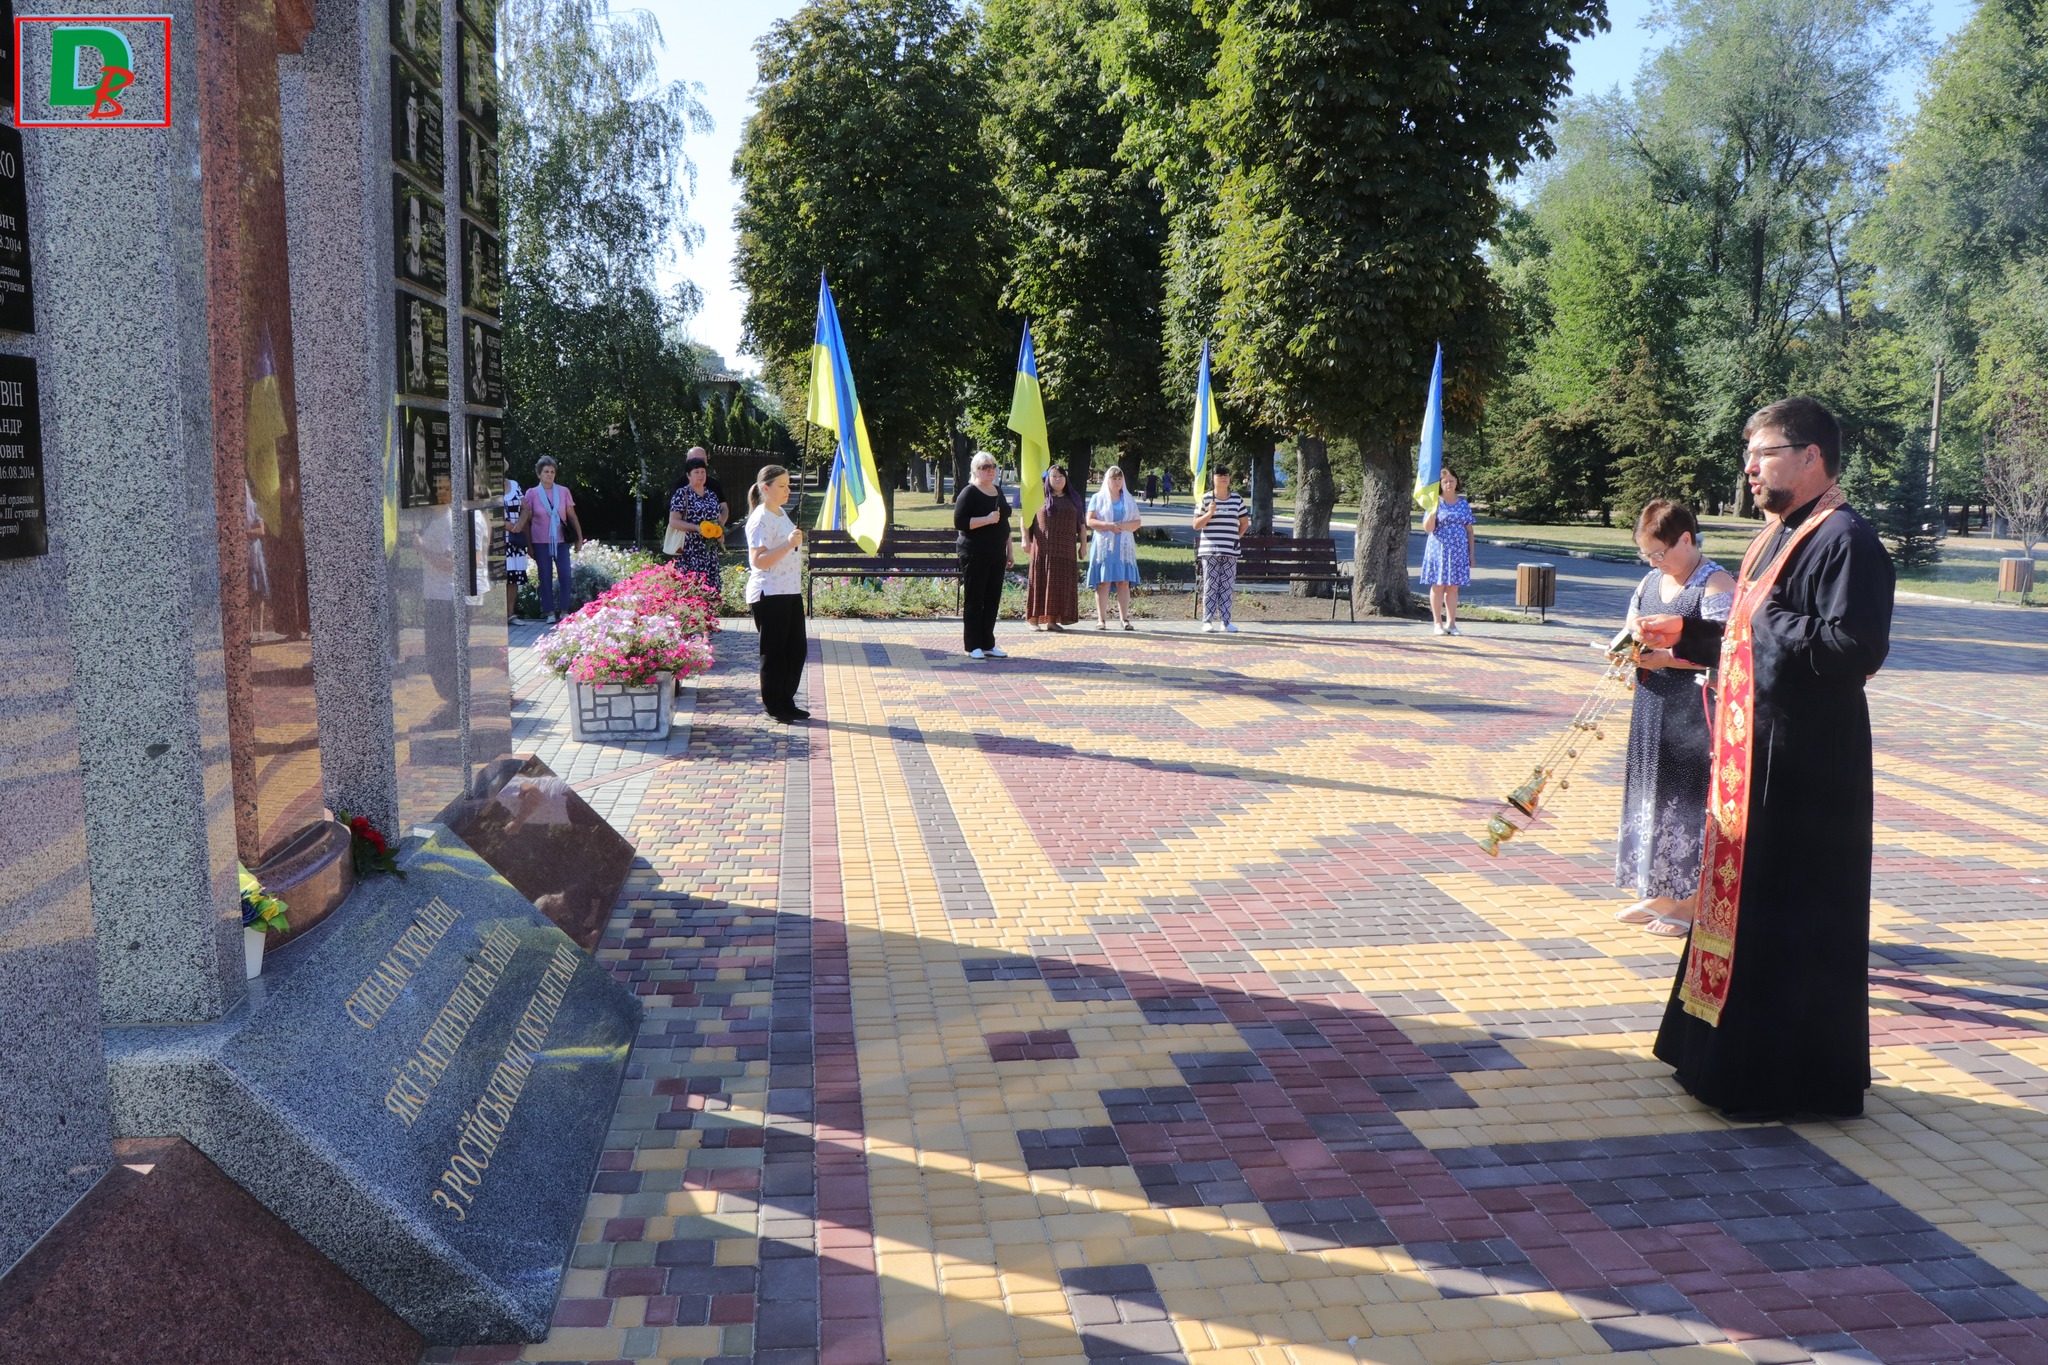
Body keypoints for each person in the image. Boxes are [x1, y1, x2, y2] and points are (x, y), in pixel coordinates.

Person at [1637, 396, 1894, 1122]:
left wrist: (1761, 613)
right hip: (1756, 757)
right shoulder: (1778, 534)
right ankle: (1721, 1063)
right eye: (1748, 455)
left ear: (1811, 456)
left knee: (1791, 918)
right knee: (1747, 912)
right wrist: (1688, 636)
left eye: (1765, 453)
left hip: (1808, 769)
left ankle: (1786, 1081)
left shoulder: (1846, 538)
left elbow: (1855, 649)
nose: (1750, 468)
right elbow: (1748, 638)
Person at [1614, 500, 1735, 938]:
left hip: (1694, 712)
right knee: (1652, 792)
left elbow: (1728, 651)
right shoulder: (1651, 580)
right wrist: (1627, 650)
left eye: (1659, 553)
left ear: (1686, 539)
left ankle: (1691, 901)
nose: (1653, 562)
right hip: (1651, 705)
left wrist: (1668, 658)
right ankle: (1661, 892)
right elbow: (1631, 628)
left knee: (1686, 800)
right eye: (1646, 554)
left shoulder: (1716, 583)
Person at [743, 465, 809, 723]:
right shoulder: (760, 518)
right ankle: (773, 705)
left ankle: (786, 700)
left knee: (796, 650)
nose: (787, 490)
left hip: (790, 591)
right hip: (769, 593)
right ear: (765, 488)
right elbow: (759, 561)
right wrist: (788, 544)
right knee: (774, 653)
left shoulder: (781, 513)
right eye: (782, 486)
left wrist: (793, 541)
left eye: (788, 485)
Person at [953, 452, 1013, 659]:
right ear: (975, 470)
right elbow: (960, 522)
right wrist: (986, 519)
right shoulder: (969, 492)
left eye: (993, 466)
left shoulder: (998, 491)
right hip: (974, 552)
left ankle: (988, 643)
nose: (990, 470)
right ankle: (972, 645)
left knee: (992, 598)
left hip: (997, 552)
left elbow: (1004, 523)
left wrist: (1009, 550)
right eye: (985, 467)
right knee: (975, 598)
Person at [514, 457, 582, 623]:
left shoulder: (563, 491)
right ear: (539, 474)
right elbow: (527, 522)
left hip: (561, 540)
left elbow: (572, 516)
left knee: (565, 575)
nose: (549, 475)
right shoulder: (532, 493)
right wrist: (529, 546)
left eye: (552, 472)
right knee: (545, 576)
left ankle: (565, 610)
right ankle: (549, 612)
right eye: (546, 472)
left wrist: (579, 539)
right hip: (540, 541)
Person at [1025, 464, 1083, 631]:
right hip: (1043, 548)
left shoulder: (1073, 497)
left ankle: (1052, 620)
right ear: (1048, 479)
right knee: (1039, 581)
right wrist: (1025, 539)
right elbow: (1026, 518)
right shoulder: (1039, 496)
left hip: (1066, 549)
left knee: (1059, 584)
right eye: (1054, 476)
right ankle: (1033, 620)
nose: (1058, 479)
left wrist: (1083, 545)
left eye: (1061, 476)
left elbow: (1081, 523)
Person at [1192, 466, 1250, 633]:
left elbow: (1244, 523)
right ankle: (1207, 620)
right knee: (1210, 585)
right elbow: (1196, 525)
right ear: (1213, 478)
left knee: (1227, 586)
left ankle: (1226, 621)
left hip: (1230, 550)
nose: (1223, 478)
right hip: (1210, 550)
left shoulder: (1237, 499)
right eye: (1220, 475)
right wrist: (1209, 513)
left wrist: (1236, 537)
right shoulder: (1205, 499)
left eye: (1226, 475)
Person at [1086, 465, 1142, 630]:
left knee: (1123, 582)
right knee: (1104, 581)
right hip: (1104, 546)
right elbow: (1090, 521)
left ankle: (1124, 619)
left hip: (1123, 546)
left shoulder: (1128, 499)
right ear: (1107, 480)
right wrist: (1108, 525)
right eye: (1113, 479)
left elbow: (1137, 522)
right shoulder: (1098, 498)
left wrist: (1123, 526)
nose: (1117, 482)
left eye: (1119, 479)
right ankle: (1101, 619)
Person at [1420, 467, 1475, 636]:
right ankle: (1437, 623)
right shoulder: (1435, 502)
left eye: (1452, 481)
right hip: (1439, 550)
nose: (1449, 484)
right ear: (1440, 484)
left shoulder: (1463, 504)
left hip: (1458, 551)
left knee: (1453, 587)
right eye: (1445, 482)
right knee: (1438, 586)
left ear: (1457, 482)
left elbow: (1469, 530)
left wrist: (1471, 554)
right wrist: (1432, 512)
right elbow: (1428, 528)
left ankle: (1451, 624)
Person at [667, 457, 727, 588]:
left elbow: (717, 519)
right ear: (688, 475)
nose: (700, 475)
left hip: (709, 551)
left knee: (712, 588)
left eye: (703, 472)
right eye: (696, 472)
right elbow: (673, 521)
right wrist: (696, 528)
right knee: (693, 588)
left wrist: (719, 532)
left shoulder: (711, 495)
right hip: (689, 551)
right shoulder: (682, 494)